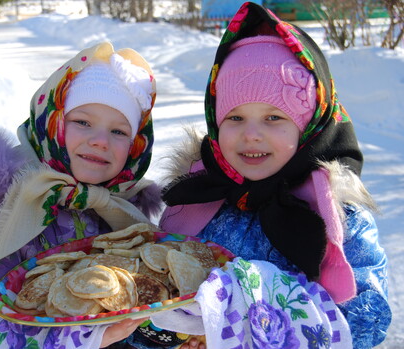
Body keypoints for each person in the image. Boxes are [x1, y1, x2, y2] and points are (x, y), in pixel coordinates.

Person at [158, 2, 391, 348]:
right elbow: (153, 299)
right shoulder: (198, 200)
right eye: (235, 118)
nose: (251, 135)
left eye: (274, 118)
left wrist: (251, 300)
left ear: (309, 126)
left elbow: (367, 323)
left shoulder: (339, 217)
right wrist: (173, 332)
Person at [0, 41, 163, 349]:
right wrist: (82, 338)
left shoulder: (125, 212)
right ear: (52, 123)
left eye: (119, 131)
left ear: (136, 146)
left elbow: (143, 309)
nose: (100, 141)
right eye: (82, 122)